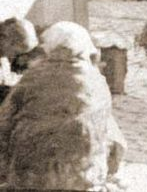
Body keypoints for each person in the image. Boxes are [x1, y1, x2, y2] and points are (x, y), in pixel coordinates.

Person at [0, 21, 126, 191]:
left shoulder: (33, 77)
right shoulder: (96, 81)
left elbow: (4, 121)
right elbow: (112, 134)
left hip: (31, 174)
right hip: (81, 176)